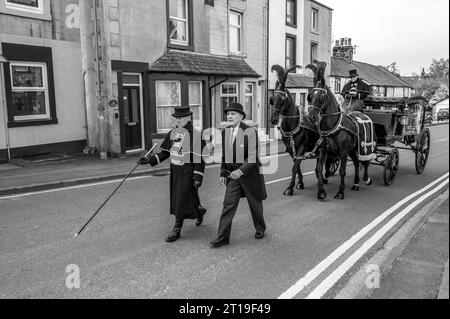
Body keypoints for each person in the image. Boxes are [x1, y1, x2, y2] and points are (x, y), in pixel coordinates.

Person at [139, 106, 206, 243]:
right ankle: (199, 211)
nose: (178, 120)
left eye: (180, 118)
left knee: (180, 199)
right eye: (176, 118)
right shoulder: (173, 133)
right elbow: (165, 153)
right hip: (176, 171)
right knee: (184, 196)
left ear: (188, 118)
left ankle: (177, 228)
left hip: (189, 170)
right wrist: (149, 160)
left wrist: (197, 176)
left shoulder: (197, 135)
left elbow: (200, 158)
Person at [210, 103, 267, 248]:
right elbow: (225, 155)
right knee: (228, 204)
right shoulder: (225, 132)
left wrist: (240, 171)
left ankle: (260, 228)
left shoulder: (250, 132)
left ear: (241, 117)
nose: (229, 116)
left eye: (233, 114)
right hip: (233, 177)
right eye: (228, 114)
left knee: (255, 205)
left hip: (250, 175)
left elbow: (253, 157)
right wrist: (223, 172)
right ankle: (223, 236)